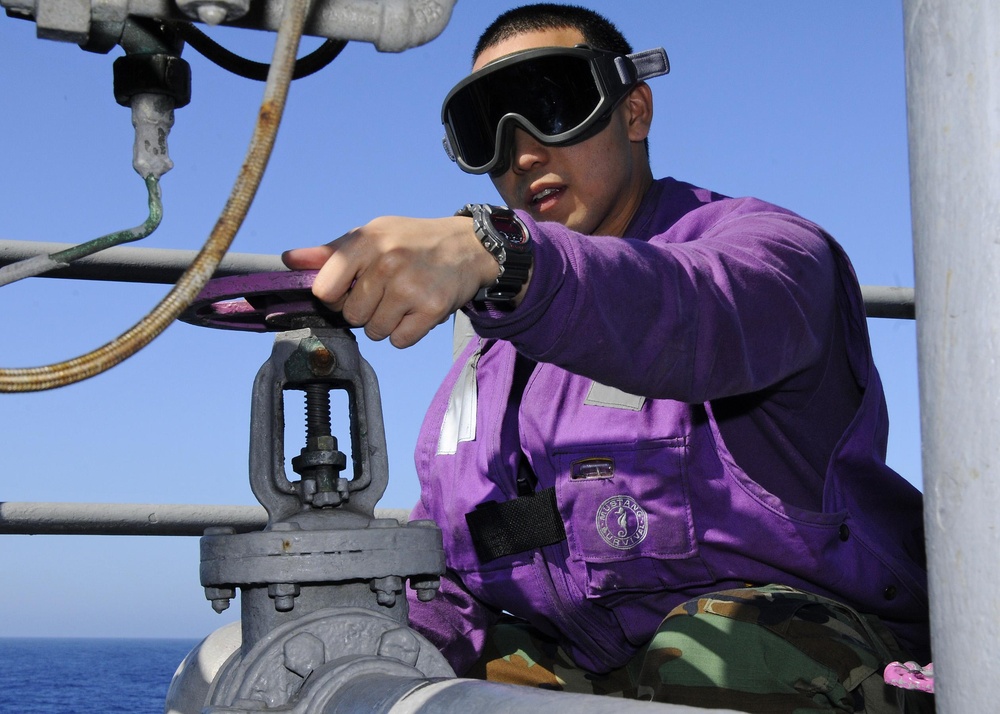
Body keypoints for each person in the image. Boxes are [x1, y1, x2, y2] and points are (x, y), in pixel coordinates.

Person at [283, 4, 930, 711]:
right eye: (487, 132)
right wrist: (365, 643)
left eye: (551, 106)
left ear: (635, 110)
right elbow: (456, 576)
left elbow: (694, 321)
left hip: (808, 661)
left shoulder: (769, 255)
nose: (523, 153)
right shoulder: (485, 365)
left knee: (723, 654)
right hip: (599, 668)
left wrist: (503, 259)